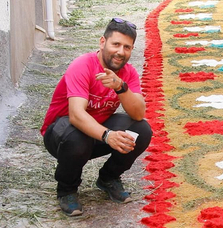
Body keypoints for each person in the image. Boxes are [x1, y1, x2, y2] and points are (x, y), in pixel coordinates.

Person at [40, 18, 152, 217]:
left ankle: (109, 178)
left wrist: (121, 87)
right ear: (103, 42)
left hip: (96, 134)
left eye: (127, 47)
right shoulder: (82, 65)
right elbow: (75, 114)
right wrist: (108, 136)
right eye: (115, 44)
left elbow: (138, 113)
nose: (120, 52)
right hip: (61, 136)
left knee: (141, 130)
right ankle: (67, 189)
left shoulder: (128, 73)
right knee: (77, 136)